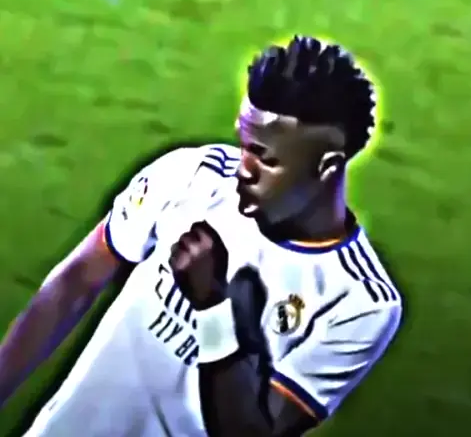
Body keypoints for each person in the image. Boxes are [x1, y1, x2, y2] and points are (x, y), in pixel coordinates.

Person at [0, 35, 402, 437]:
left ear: (326, 167)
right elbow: (76, 282)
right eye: (244, 144)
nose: (243, 168)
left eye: (264, 157)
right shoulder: (194, 175)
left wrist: (212, 308)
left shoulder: (359, 303)